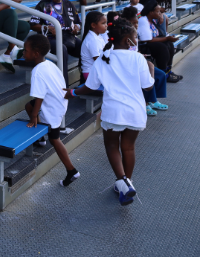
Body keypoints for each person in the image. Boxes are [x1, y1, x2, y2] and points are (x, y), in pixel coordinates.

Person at [66, 17, 154, 206]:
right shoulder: (138, 58)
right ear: (128, 40)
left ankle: (123, 182)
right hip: (135, 112)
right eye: (135, 37)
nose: (136, 40)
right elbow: (148, 86)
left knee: (112, 146)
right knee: (129, 148)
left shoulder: (103, 59)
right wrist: (151, 69)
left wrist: (72, 92)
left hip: (113, 112)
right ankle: (126, 183)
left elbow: (90, 87)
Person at [24, 34, 80, 187]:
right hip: (58, 102)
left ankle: (71, 170)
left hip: (52, 108)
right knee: (29, 106)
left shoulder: (37, 71)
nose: (23, 53)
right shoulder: (49, 64)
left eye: (25, 50)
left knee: (55, 139)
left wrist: (33, 117)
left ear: (36, 53)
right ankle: (41, 138)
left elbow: (39, 97)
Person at [29, 0, 81, 86]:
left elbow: (78, 22)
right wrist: (47, 28)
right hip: (49, 38)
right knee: (62, 49)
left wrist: (77, 28)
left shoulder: (69, 5)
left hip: (68, 37)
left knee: (85, 48)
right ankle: (64, 87)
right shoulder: (43, 4)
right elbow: (33, 24)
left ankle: (86, 81)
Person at [122, 7, 169, 116]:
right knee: (146, 74)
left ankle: (153, 100)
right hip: (128, 65)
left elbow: (135, 50)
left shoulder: (133, 34)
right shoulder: (122, 36)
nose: (136, 25)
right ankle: (145, 103)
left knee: (160, 74)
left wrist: (140, 55)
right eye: (133, 23)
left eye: (137, 23)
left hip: (137, 61)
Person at [137, 1, 182, 82]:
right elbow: (147, 40)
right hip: (143, 46)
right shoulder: (143, 20)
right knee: (162, 47)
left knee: (169, 44)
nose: (159, 13)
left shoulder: (152, 20)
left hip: (151, 43)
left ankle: (168, 71)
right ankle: (163, 74)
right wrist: (167, 38)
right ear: (151, 12)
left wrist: (168, 39)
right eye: (158, 11)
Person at [79, 11, 107, 81]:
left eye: (106, 23)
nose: (106, 25)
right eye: (103, 23)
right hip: (91, 73)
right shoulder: (92, 39)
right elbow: (98, 60)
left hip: (96, 71)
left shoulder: (98, 36)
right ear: (93, 25)